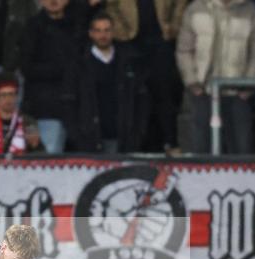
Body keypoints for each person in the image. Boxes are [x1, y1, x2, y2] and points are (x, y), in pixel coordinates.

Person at [176, 0, 255, 154]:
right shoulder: (195, 8)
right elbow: (184, 50)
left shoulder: (250, 10)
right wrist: (192, 82)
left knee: (240, 150)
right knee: (201, 150)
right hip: (203, 91)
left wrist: (249, 84)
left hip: (238, 93)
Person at [104, 0, 188, 153]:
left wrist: (174, 26)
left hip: (162, 41)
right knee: (134, 97)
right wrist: (122, 30)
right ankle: (136, 145)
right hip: (129, 42)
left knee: (165, 95)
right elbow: (111, 6)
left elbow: (180, 4)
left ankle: (170, 143)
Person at [71, 11, 149, 153]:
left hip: (123, 139)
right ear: (91, 33)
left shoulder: (128, 61)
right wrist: (79, 136)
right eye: (98, 31)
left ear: (113, 32)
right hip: (91, 139)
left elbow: (141, 100)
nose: (103, 35)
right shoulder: (80, 65)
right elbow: (71, 102)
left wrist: (137, 134)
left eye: (107, 30)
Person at [19, 0, 88, 154]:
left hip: (75, 107)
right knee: (46, 159)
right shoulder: (32, 27)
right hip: (42, 109)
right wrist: (62, 69)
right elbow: (26, 67)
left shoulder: (78, 25)